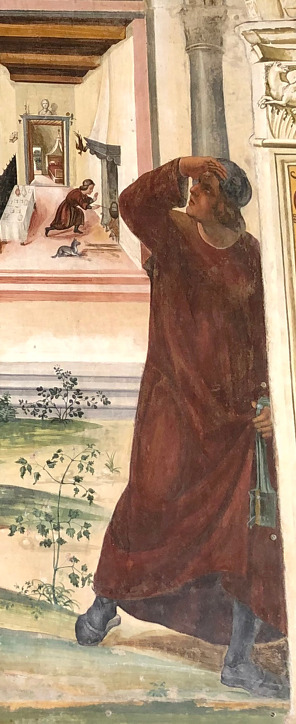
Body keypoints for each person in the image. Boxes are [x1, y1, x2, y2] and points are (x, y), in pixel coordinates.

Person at [75, 157, 287, 699]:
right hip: (172, 405)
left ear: (228, 203)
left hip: (233, 420)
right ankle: (105, 602)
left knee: (247, 531)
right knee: (150, 505)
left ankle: (238, 660)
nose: (194, 190)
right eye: (195, 183)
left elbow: (262, 334)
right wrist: (180, 167)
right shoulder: (172, 232)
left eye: (206, 187)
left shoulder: (250, 255)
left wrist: (270, 404)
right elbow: (130, 204)